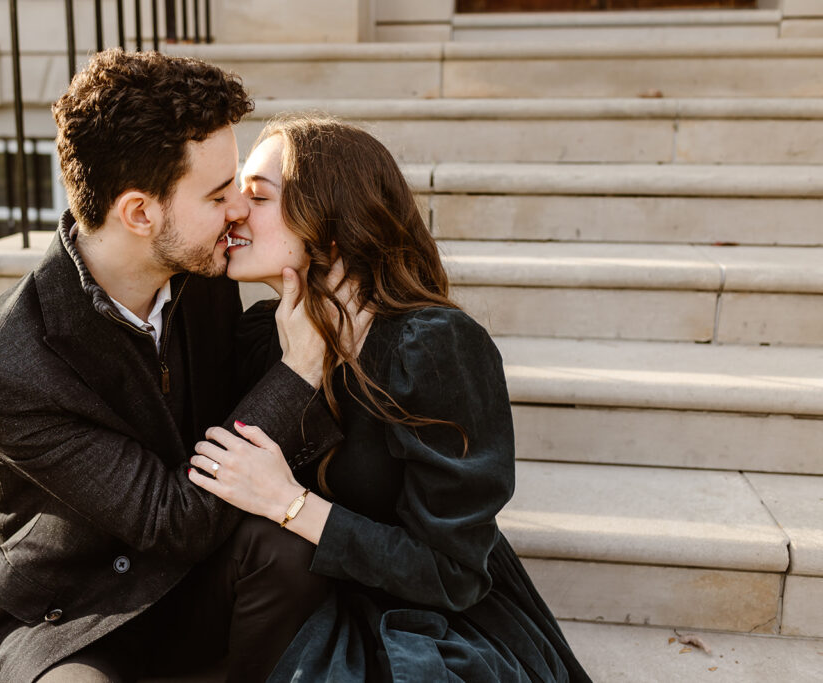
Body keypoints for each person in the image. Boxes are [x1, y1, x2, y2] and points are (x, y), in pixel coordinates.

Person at [0, 52, 347, 683]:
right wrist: (297, 372)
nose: (240, 207)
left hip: (204, 575)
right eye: (218, 193)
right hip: (73, 608)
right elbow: (171, 519)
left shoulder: (201, 270)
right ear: (139, 213)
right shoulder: (1, 369)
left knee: (292, 553)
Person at [188, 115, 592, 682]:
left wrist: (290, 503)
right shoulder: (264, 334)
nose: (234, 212)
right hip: (305, 594)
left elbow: (453, 574)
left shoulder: (433, 348)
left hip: (430, 616)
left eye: (257, 196)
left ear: (329, 224)